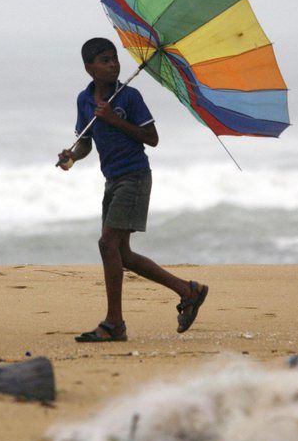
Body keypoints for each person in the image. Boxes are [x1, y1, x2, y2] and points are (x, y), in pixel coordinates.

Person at [58, 37, 208, 342]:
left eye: (114, 58)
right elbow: (86, 142)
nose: (113, 64)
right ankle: (187, 290)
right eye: (104, 60)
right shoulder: (84, 100)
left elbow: (151, 138)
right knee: (121, 253)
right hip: (112, 179)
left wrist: (114, 119)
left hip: (135, 177)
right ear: (89, 68)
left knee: (107, 245)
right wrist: (72, 156)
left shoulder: (129, 97)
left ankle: (115, 323)